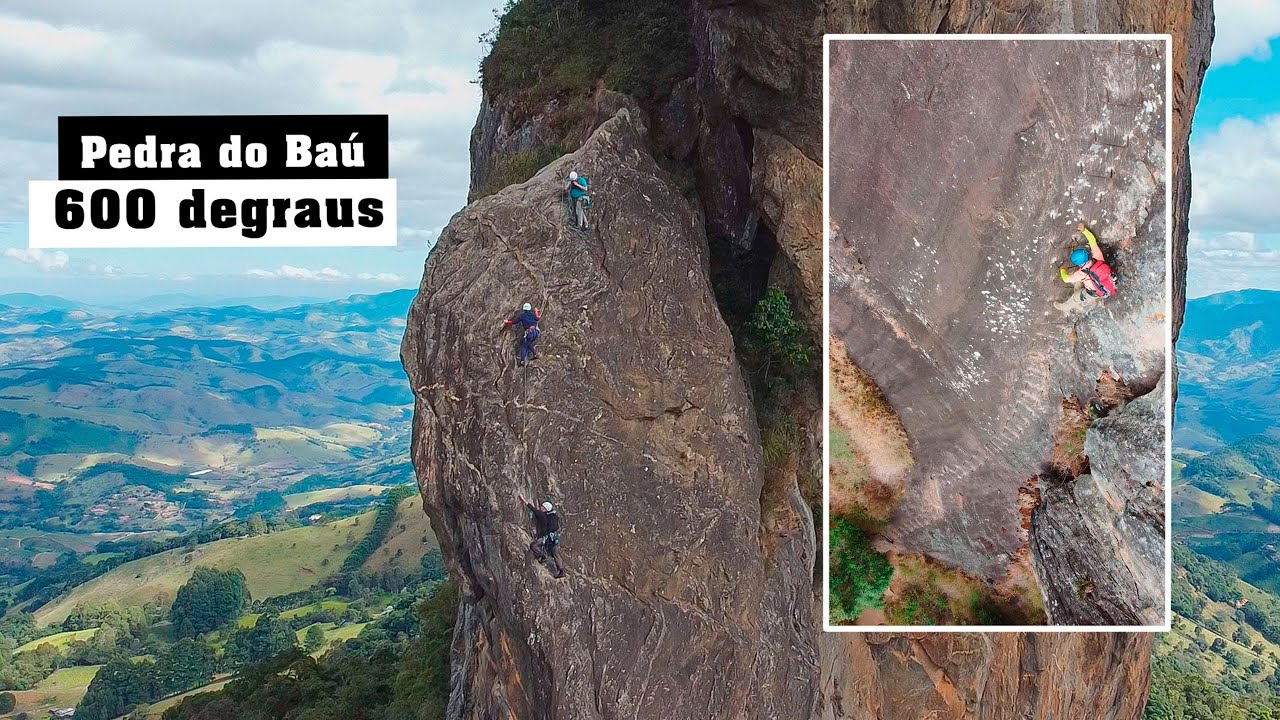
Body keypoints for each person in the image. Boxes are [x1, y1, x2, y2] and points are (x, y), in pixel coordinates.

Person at [1054, 222, 1117, 314]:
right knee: (1079, 283)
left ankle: (1064, 307)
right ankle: (1085, 291)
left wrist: (1063, 270)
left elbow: (1066, 279)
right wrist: (1084, 230)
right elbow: (1092, 241)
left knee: (1076, 297)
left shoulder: (1081, 273)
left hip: (1096, 292)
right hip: (1109, 281)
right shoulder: (1098, 257)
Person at [518, 493, 564, 578]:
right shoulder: (554, 517)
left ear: (546, 509)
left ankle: (542, 556)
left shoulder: (543, 516)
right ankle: (561, 570)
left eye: (542, 507)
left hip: (546, 538)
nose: (541, 508)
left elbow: (533, 509)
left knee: (533, 545)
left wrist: (523, 499)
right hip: (555, 539)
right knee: (555, 553)